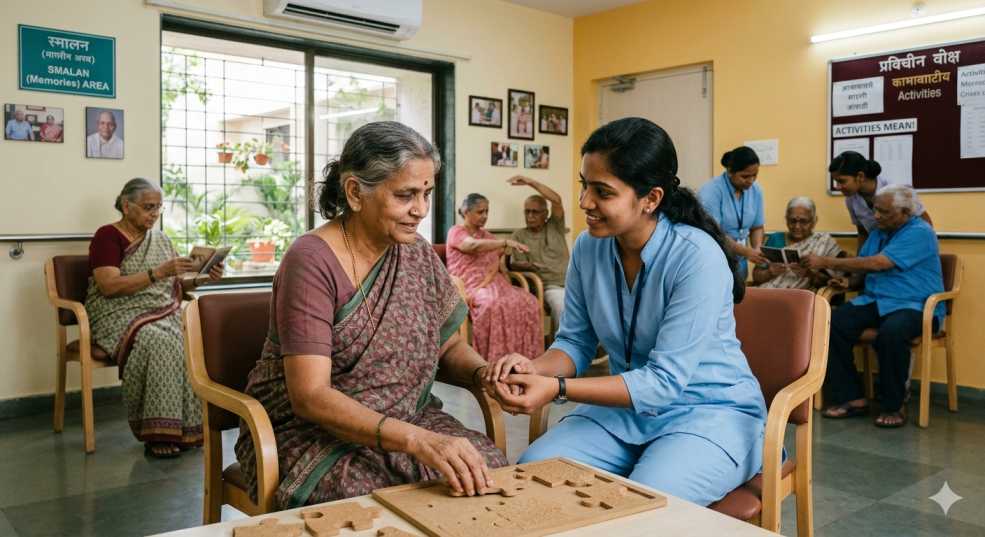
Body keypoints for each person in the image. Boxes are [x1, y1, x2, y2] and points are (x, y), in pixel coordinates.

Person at [484, 117, 766, 506]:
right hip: (629, 411)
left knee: (646, 502)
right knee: (535, 472)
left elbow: (664, 383)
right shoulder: (588, 247)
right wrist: (535, 368)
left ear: (650, 198)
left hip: (708, 412)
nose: (584, 203)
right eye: (585, 186)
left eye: (602, 192)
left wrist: (558, 389)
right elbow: (574, 343)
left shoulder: (696, 256)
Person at [235, 122, 507, 509]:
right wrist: (415, 440)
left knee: (484, 472)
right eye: (406, 195)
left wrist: (484, 373)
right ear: (354, 192)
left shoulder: (415, 252)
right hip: (314, 435)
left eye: (426, 194)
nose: (421, 211)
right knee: (373, 505)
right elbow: (310, 397)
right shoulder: (311, 261)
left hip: (409, 418)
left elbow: (447, 346)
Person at [86, 178, 223, 458]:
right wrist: (158, 273)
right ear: (127, 206)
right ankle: (158, 432)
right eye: (149, 207)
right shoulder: (107, 236)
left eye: (159, 208)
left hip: (159, 310)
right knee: (158, 341)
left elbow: (174, 287)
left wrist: (204, 278)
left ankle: (190, 430)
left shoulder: (160, 239)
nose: (155, 214)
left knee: (188, 337)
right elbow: (108, 287)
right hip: (116, 313)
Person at [802, 185, 944, 428]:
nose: (876, 216)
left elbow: (878, 263)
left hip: (916, 305)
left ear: (905, 212)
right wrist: (849, 281)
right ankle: (852, 397)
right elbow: (866, 267)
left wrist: (824, 260)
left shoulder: (920, 232)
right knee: (830, 323)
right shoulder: (879, 232)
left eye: (884, 212)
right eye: (875, 210)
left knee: (892, 332)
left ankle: (894, 405)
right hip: (876, 301)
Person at [446, 194, 544, 362]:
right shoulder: (456, 232)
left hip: (496, 283)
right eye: (480, 212)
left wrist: (505, 271)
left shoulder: (489, 236)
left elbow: (500, 266)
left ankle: (526, 361)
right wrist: (504, 242)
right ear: (466, 212)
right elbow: (471, 245)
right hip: (470, 285)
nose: (484, 216)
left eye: (487, 212)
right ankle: (492, 362)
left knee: (530, 302)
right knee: (492, 304)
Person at [829, 151, 932, 251]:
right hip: (880, 252)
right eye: (836, 182)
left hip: (906, 250)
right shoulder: (851, 200)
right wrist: (860, 258)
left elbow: (925, 223)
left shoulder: (897, 188)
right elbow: (863, 233)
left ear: (860, 176)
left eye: (841, 181)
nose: (838, 187)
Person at [507, 175, 570, 335]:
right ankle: (562, 351)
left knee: (604, 302)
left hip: (573, 283)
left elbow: (556, 199)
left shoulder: (555, 226)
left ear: (546, 213)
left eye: (535, 212)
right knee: (562, 306)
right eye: (527, 212)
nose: (530, 216)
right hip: (548, 286)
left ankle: (597, 350)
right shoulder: (519, 236)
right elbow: (514, 264)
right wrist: (531, 265)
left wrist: (530, 182)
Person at [699, 146, 767, 277]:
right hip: (717, 255)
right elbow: (715, 232)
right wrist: (746, 252)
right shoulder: (711, 191)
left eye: (755, 176)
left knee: (739, 294)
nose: (751, 181)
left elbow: (757, 227)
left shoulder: (756, 190)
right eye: (745, 176)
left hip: (740, 260)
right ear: (730, 171)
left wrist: (757, 248)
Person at [752, 197, 845, 290]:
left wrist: (810, 275)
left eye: (803, 221)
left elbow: (833, 281)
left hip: (801, 300)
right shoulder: (775, 239)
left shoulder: (824, 242)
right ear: (786, 220)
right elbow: (756, 276)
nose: (797, 226)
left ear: (814, 221)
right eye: (792, 221)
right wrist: (769, 272)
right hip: (769, 294)